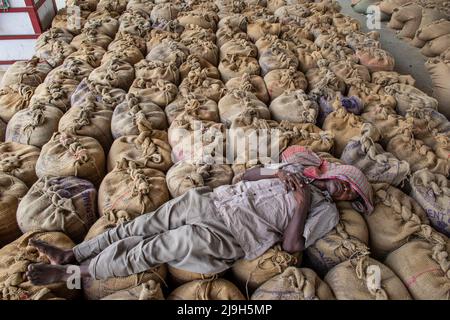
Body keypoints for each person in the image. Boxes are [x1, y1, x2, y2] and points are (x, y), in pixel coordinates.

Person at [25, 146, 373, 286]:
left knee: (152, 248)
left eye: (349, 194)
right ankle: (76, 253)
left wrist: (300, 205)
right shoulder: (296, 168)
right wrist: (276, 174)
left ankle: (74, 273)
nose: (342, 192)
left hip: (231, 236)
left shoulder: (325, 213)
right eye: (343, 184)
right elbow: (245, 177)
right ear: (333, 173)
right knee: (137, 226)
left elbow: (292, 243)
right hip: (212, 200)